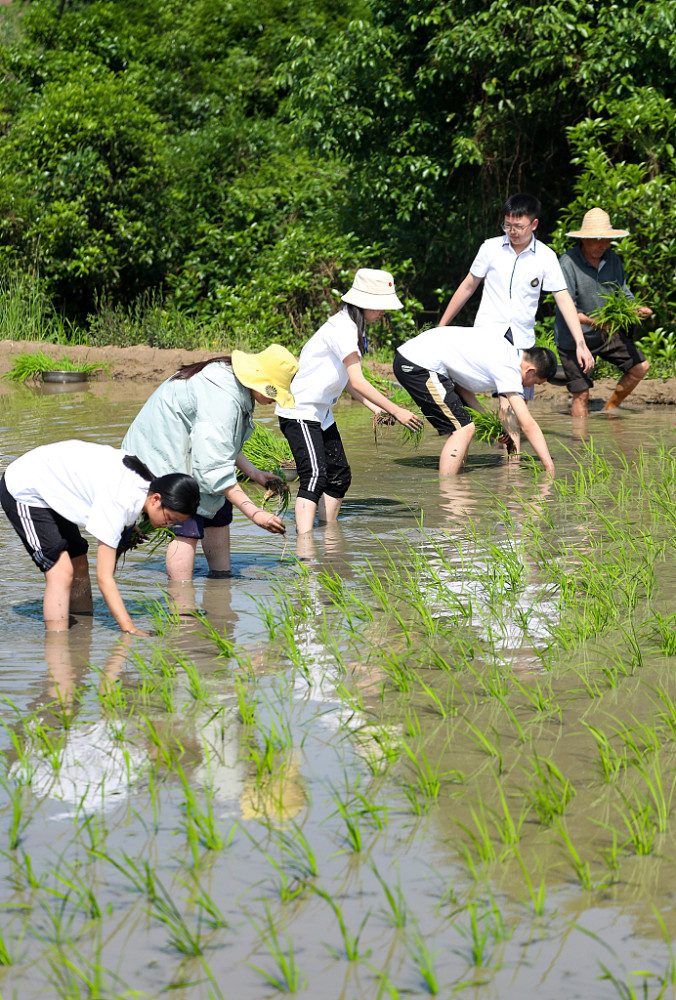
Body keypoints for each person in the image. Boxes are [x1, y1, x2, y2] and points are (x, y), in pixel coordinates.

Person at [122, 344, 298, 580]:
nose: (274, 401)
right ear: (259, 381)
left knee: (220, 508)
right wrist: (255, 513)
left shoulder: (233, 382)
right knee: (187, 522)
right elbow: (213, 465)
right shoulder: (223, 396)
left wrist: (255, 473)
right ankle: (182, 600)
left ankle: (221, 580)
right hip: (160, 458)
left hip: (187, 453)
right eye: (274, 392)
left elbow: (221, 446)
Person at [438, 193, 594, 446]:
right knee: (498, 400)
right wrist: (442, 327)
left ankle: (508, 459)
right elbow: (468, 286)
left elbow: (563, 298)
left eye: (518, 226)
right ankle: (508, 462)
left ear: (534, 224)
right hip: (488, 335)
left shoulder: (545, 256)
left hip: (521, 340)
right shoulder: (490, 248)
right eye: (507, 225)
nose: (512, 231)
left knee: (512, 402)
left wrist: (580, 343)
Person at [275, 268, 423, 534]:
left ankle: (329, 534)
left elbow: (345, 377)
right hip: (300, 410)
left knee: (339, 476)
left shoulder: (354, 327)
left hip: (321, 412)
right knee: (315, 476)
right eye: (379, 306)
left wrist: (373, 406)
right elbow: (357, 381)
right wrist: (397, 410)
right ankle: (305, 547)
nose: (383, 312)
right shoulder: (343, 328)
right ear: (362, 302)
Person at [0, 440, 199, 634]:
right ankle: (57, 647)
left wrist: (128, 526)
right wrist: (129, 628)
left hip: (56, 485)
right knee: (61, 572)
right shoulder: (119, 503)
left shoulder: (149, 484)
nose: (168, 525)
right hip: (26, 487)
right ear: (156, 499)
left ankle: (83, 632)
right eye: (169, 518)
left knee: (78, 561)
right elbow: (104, 578)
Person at [394, 326, 558, 475]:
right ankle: (449, 492)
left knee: (463, 425)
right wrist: (549, 468)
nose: (529, 387)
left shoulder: (505, 350)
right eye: (535, 383)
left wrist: (492, 428)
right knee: (463, 429)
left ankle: (458, 479)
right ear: (531, 370)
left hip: (417, 360)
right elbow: (528, 424)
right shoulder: (509, 366)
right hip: (418, 364)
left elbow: (463, 390)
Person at [554, 207, 652, 417]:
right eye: (597, 239)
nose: (603, 245)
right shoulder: (567, 263)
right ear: (584, 239)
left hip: (605, 333)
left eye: (606, 239)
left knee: (640, 367)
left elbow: (623, 292)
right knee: (581, 394)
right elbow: (567, 308)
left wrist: (636, 309)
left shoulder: (612, 259)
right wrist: (594, 322)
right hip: (573, 338)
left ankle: (609, 411)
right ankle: (580, 447)